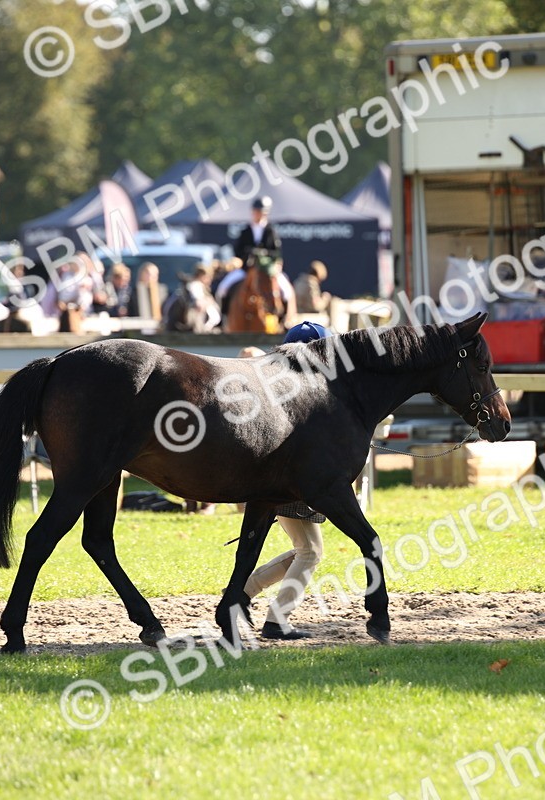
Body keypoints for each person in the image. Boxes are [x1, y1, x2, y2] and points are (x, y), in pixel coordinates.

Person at [241, 321, 331, 640]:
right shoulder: (307, 387)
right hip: (293, 479)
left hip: (280, 477)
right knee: (310, 551)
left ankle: (242, 591)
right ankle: (277, 620)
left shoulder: (280, 382)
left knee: (303, 550)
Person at [225, 257, 296, 334]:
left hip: (270, 269)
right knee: (222, 289)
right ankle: (223, 319)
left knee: (287, 292)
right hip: (246, 270)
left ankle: (285, 321)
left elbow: (276, 254)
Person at [233, 196, 280, 266]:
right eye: (255, 211)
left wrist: (264, 253)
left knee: (282, 277)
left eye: (260, 212)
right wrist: (249, 252)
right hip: (247, 267)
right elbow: (238, 251)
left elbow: (276, 252)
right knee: (231, 277)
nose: (257, 214)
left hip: (266, 267)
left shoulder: (270, 232)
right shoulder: (245, 231)